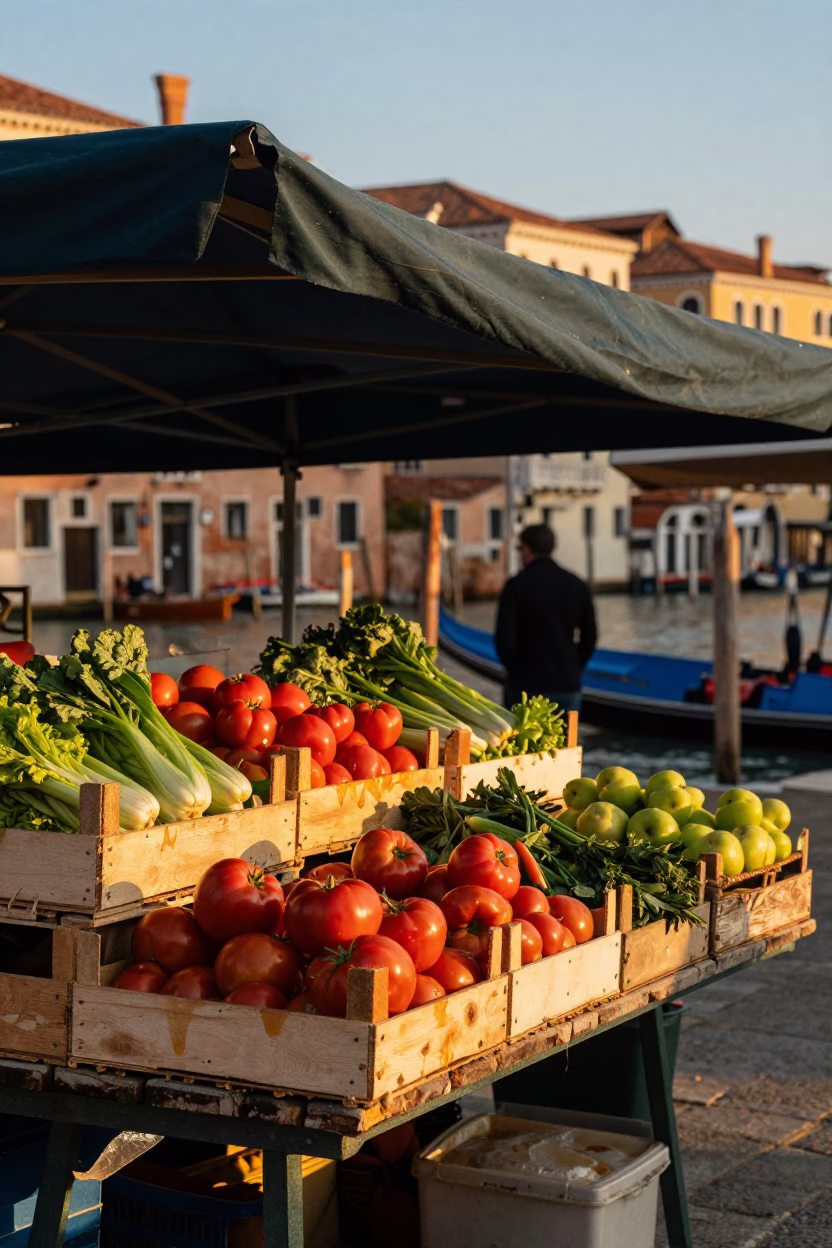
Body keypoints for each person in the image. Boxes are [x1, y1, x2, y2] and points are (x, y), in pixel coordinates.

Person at [495, 523, 597, 711]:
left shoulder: (516, 586)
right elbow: (589, 638)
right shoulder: (577, 585)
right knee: (567, 740)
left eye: (520, 549)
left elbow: (504, 641)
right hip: (566, 683)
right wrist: (573, 664)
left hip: (526, 684)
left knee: (522, 740)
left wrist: (517, 670)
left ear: (526, 549)